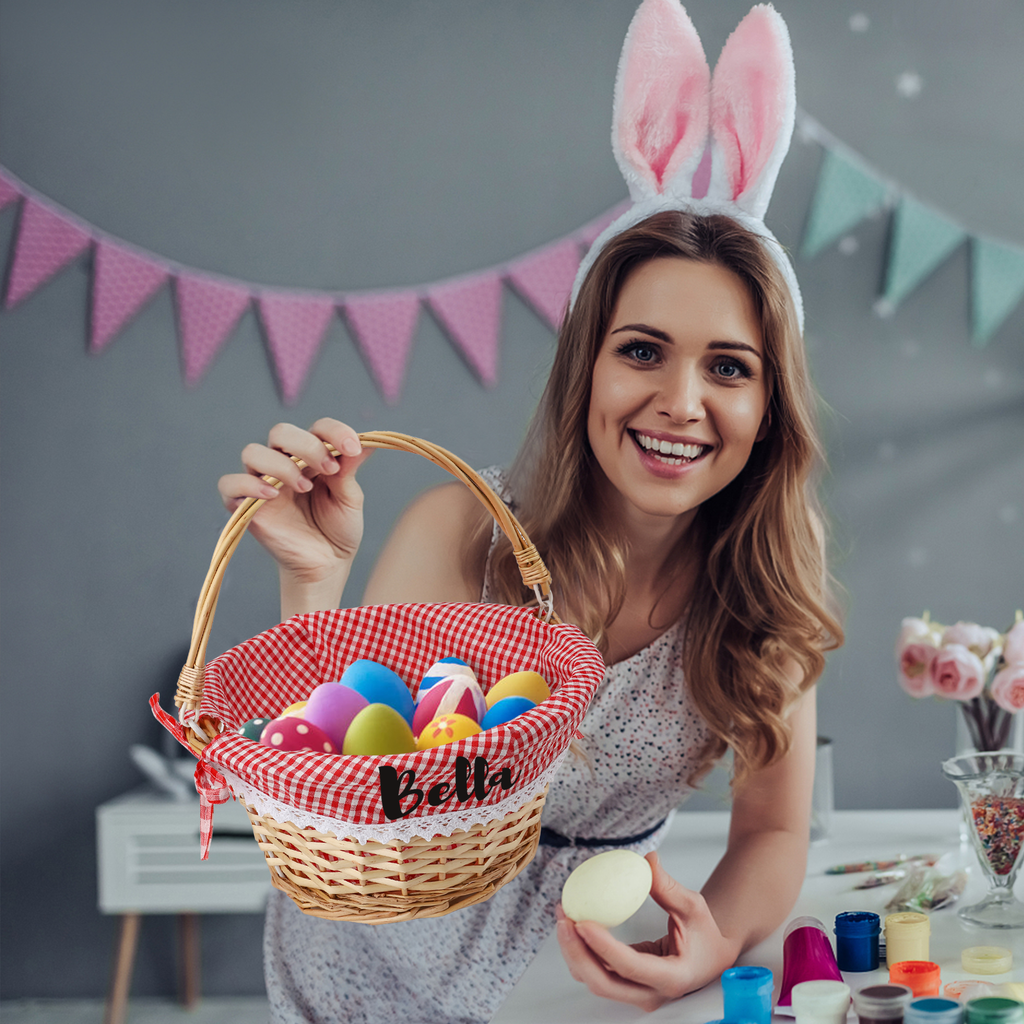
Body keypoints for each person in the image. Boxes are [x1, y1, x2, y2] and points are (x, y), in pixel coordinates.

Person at [215, 5, 842, 1021]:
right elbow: (338, 788)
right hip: (384, 960)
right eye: (641, 349)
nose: (680, 402)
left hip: (590, 967)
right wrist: (311, 583)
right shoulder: (457, 532)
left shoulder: (770, 565)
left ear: (768, 408)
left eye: (727, 368)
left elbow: (771, 831)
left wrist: (710, 946)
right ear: (583, 368)